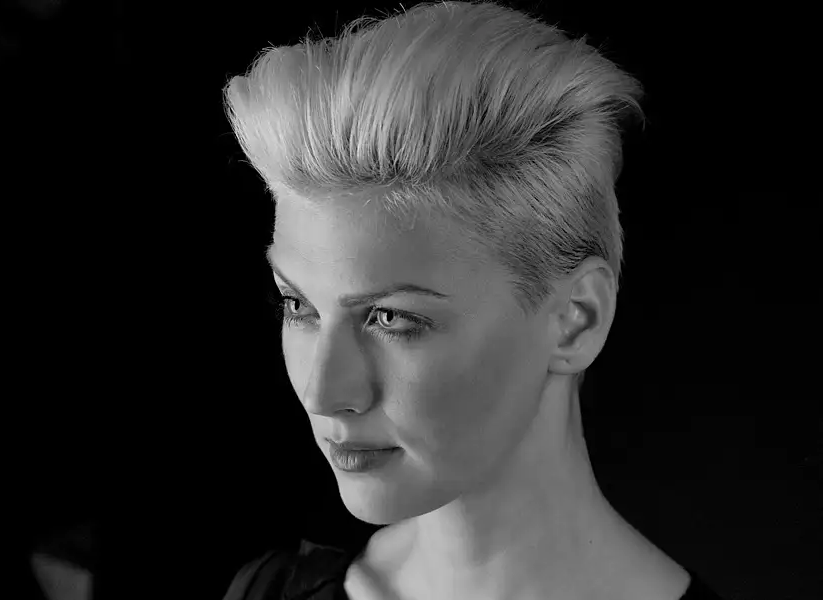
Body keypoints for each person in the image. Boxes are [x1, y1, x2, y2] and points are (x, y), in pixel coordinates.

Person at [222, 1, 726, 598]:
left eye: (391, 318)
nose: (323, 393)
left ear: (576, 319)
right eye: (298, 307)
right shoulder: (269, 589)